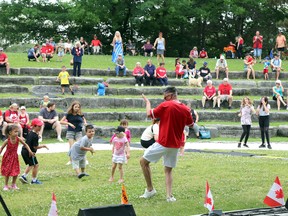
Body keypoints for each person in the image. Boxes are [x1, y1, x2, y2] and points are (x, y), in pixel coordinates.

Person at [140, 87, 193, 202]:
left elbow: (150, 114)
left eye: (165, 97)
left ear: (171, 95)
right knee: (168, 170)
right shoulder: (185, 109)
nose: (164, 99)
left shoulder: (166, 105)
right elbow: (191, 124)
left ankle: (150, 190)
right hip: (175, 145)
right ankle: (169, 196)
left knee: (143, 162)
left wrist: (147, 102)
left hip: (163, 142)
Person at [0, 125, 34, 191]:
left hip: (15, 157)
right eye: (15, 132)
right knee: (7, 171)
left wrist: (30, 151)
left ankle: (13, 184)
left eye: (17, 132)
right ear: (10, 132)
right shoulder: (7, 141)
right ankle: (6, 185)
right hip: (7, 158)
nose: (17, 133)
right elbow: (1, 148)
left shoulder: (18, 139)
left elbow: (25, 144)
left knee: (15, 171)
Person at [19, 118, 49, 185]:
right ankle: (33, 180)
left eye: (41, 126)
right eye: (39, 126)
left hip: (24, 150)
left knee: (31, 164)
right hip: (29, 152)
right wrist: (43, 146)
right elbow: (35, 147)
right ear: (34, 126)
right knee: (35, 165)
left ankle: (24, 176)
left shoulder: (31, 133)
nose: (40, 127)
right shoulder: (34, 135)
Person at [60, 101, 87, 165]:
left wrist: (85, 123)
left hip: (78, 131)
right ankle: (71, 160)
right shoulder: (68, 114)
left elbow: (84, 119)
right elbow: (61, 121)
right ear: (72, 107)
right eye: (75, 107)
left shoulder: (80, 114)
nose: (77, 108)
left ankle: (83, 160)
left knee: (80, 146)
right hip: (70, 131)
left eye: (78, 107)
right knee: (71, 146)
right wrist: (69, 123)